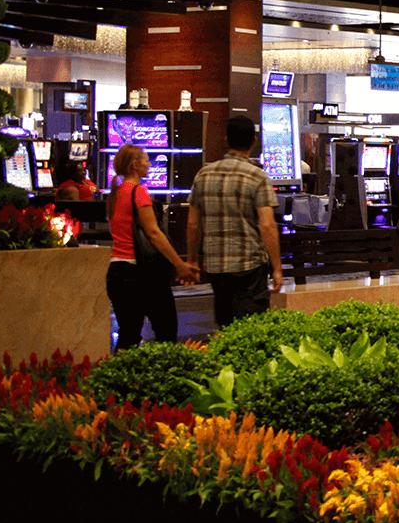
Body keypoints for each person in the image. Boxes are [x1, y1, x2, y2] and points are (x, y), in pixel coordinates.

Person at [187, 115, 283, 327]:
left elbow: (193, 223)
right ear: (254, 141)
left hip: (215, 266)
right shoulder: (257, 177)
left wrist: (192, 260)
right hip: (249, 264)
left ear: (226, 140)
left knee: (224, 324)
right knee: (251, 328)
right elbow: (267, 225)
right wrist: (277, 267)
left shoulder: (203, 174)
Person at [105, 144, 199, 351]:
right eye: (146, 160)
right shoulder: (138, 192)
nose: (149, 164)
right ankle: (162, 369)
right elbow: (153, 233)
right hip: (142, 273)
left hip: (117, 271)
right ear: (135, 165)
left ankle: (119, 371)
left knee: (128, 334)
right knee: (166, 330)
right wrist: (179, 264)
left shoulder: (115, 194)